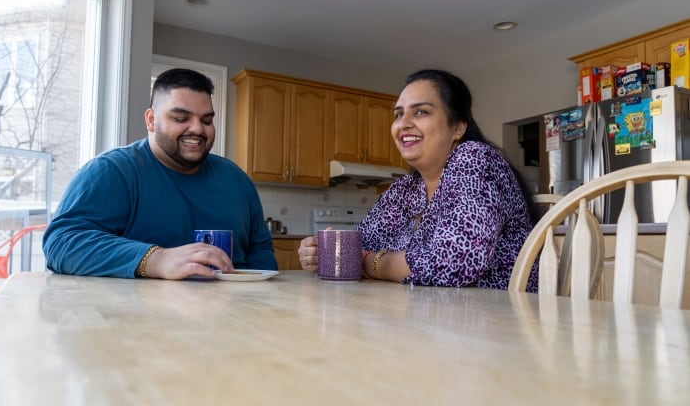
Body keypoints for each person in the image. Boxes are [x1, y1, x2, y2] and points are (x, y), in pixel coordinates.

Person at [298, 69, 538, 290]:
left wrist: (371, 264)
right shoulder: (405, 189)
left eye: (421, 111)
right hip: (431, 315)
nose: (403, 124)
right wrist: (319, 253)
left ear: (458, 127)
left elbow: (454, 262)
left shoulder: (474, 157)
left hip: (501, 318)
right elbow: (357, 249)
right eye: (398, 114)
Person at [43, 68, 277, 279]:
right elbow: (61, 244)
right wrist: (157, 259)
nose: (197, 128)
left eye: (206, 120)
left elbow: (260, 250)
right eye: (180, 118)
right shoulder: (111, 171)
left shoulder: (237, 180)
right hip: (139, 320)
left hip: (234, 316)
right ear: (151, 120)